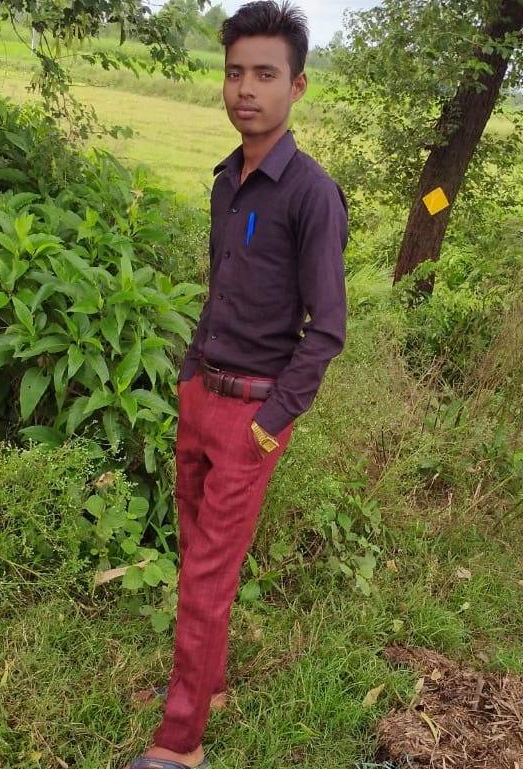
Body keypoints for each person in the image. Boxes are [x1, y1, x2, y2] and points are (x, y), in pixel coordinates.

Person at [124, 2, 348, 767]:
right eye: (234, 72)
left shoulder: (312, 194)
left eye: (265, 74)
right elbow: (220, 290)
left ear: (297, 85)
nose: (245, 88)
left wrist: (270, 421)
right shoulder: (227, 181)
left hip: (253, 412)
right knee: (197, 554)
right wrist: (189, 378)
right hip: (202, 396)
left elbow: (326, 329)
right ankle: (209, 683)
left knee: (206, 576)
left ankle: (179, 741)